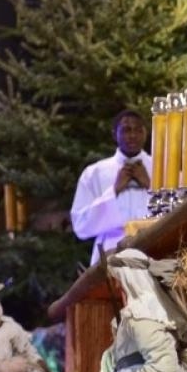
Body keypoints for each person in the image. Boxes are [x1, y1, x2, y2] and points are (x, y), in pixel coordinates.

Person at [70, 109, 154, 263]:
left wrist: (150, 185)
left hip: (155, 248)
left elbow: (179, 209)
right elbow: (80, 225)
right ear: (114, 134)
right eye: (126, 130)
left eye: (138, 130)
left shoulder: (161, 168)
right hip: (111, 252)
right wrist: (114, 191)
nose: (133, 135)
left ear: (146, 133)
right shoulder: (95, 173)